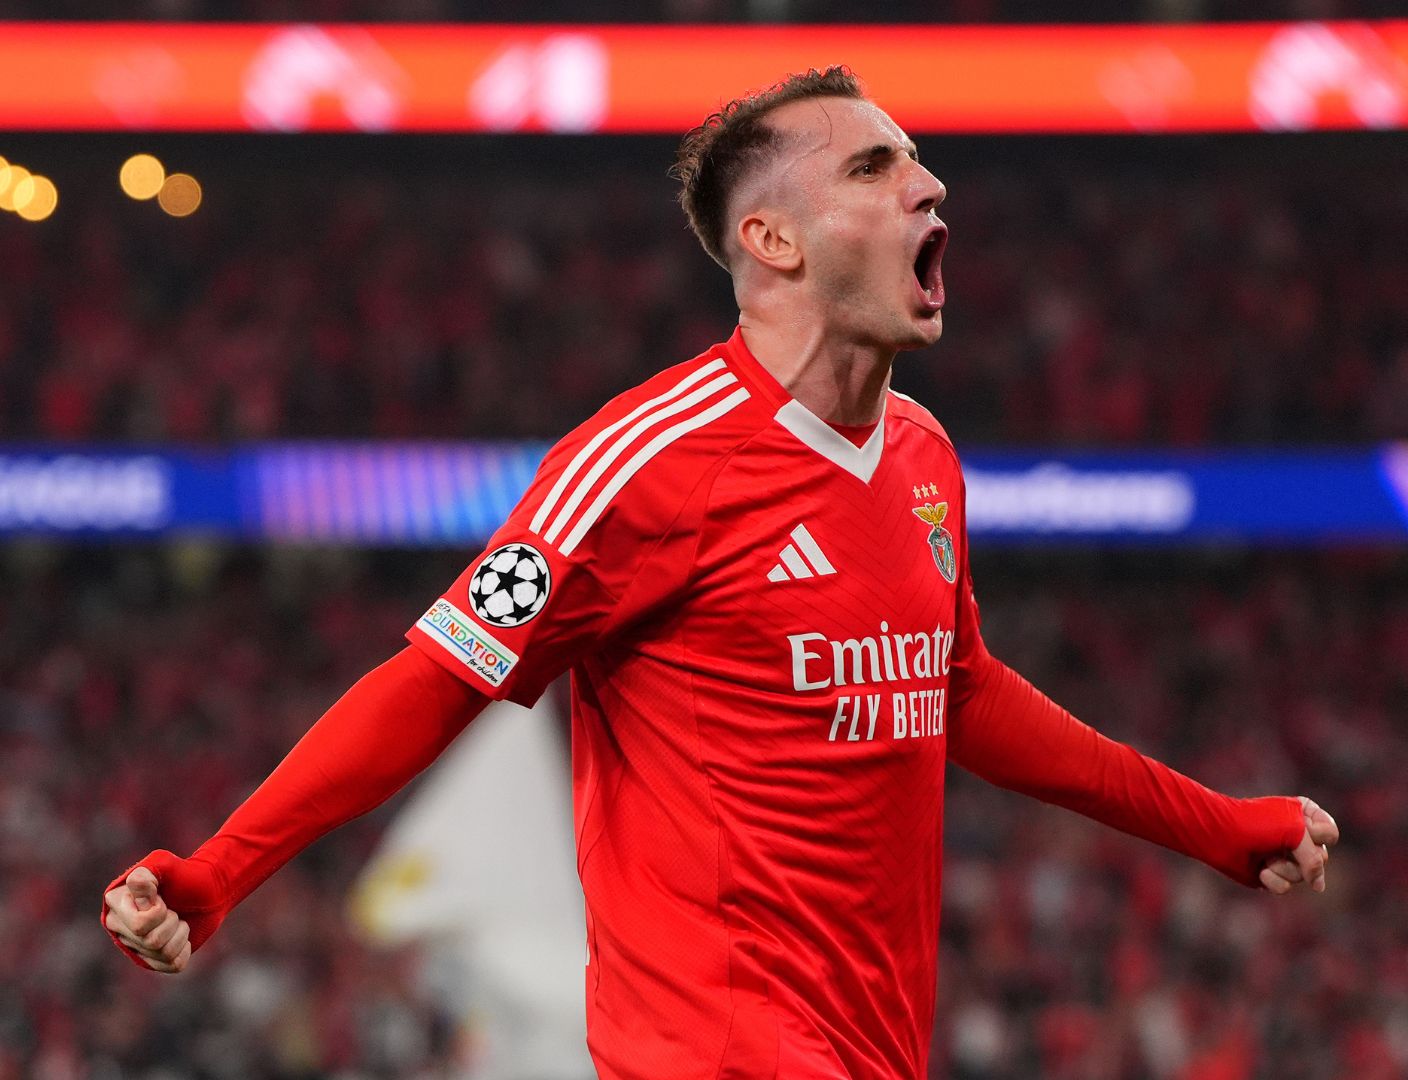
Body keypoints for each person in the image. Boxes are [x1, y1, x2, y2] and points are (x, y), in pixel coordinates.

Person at [102, 67, 1338, 1079]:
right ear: (771, 240)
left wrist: (1213, 826)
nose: (928, 182)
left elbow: (954, 691)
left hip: (872, 1047)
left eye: (914, 161)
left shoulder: (921, 457)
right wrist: (219, 871)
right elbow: (437, 678)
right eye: (874, 167)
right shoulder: (642, 465)